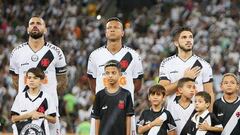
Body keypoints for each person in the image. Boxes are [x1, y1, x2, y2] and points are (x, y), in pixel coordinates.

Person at [9, 16, 68, 135]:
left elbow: (63, 81)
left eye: (39, 23)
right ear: (27, 29)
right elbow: (15, 79)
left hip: (48, 109)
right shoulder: (17, 52)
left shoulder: (56, 52)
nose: (35, 25)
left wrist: (48, 95)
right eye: (32, 23)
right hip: (25, 109)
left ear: (45, 29)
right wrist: (28, 94)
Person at [87, 17, 143, 134]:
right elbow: (92, 82)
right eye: (109, 28)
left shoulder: (133, 55)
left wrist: (123, 95)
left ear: (122, 32)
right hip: (101, 109)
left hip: (125, 110)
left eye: (116, 27)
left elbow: (137, 84)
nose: (112, 30)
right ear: (106, 32)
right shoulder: (95, 55)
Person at [158, 26, 215, 111]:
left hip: (197, 115)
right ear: (176, 43)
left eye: (190, 37)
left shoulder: (204, 64)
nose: (188, 40)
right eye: (184, 37)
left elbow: (209, 93)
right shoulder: (166, 63)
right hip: (173, 115)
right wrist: (185, 79)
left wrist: (209, 116)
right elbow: (162, 92)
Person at [91, 60, 134, 135]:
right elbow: (97, 119)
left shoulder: (126, 94)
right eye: (107, 73)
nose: (110, 75)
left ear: (120, 74)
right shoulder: (99, 95)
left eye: (113, 72)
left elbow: (128, 118)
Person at [11, 68, 56, 135]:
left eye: (35, 78)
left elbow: (54, 120)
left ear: (41, 80)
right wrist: (30, 115)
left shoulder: (47, 97)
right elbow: (13, 119)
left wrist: (43, 115)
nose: (31, 80)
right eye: (29, 78)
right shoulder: (20, 97)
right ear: (26, 80)